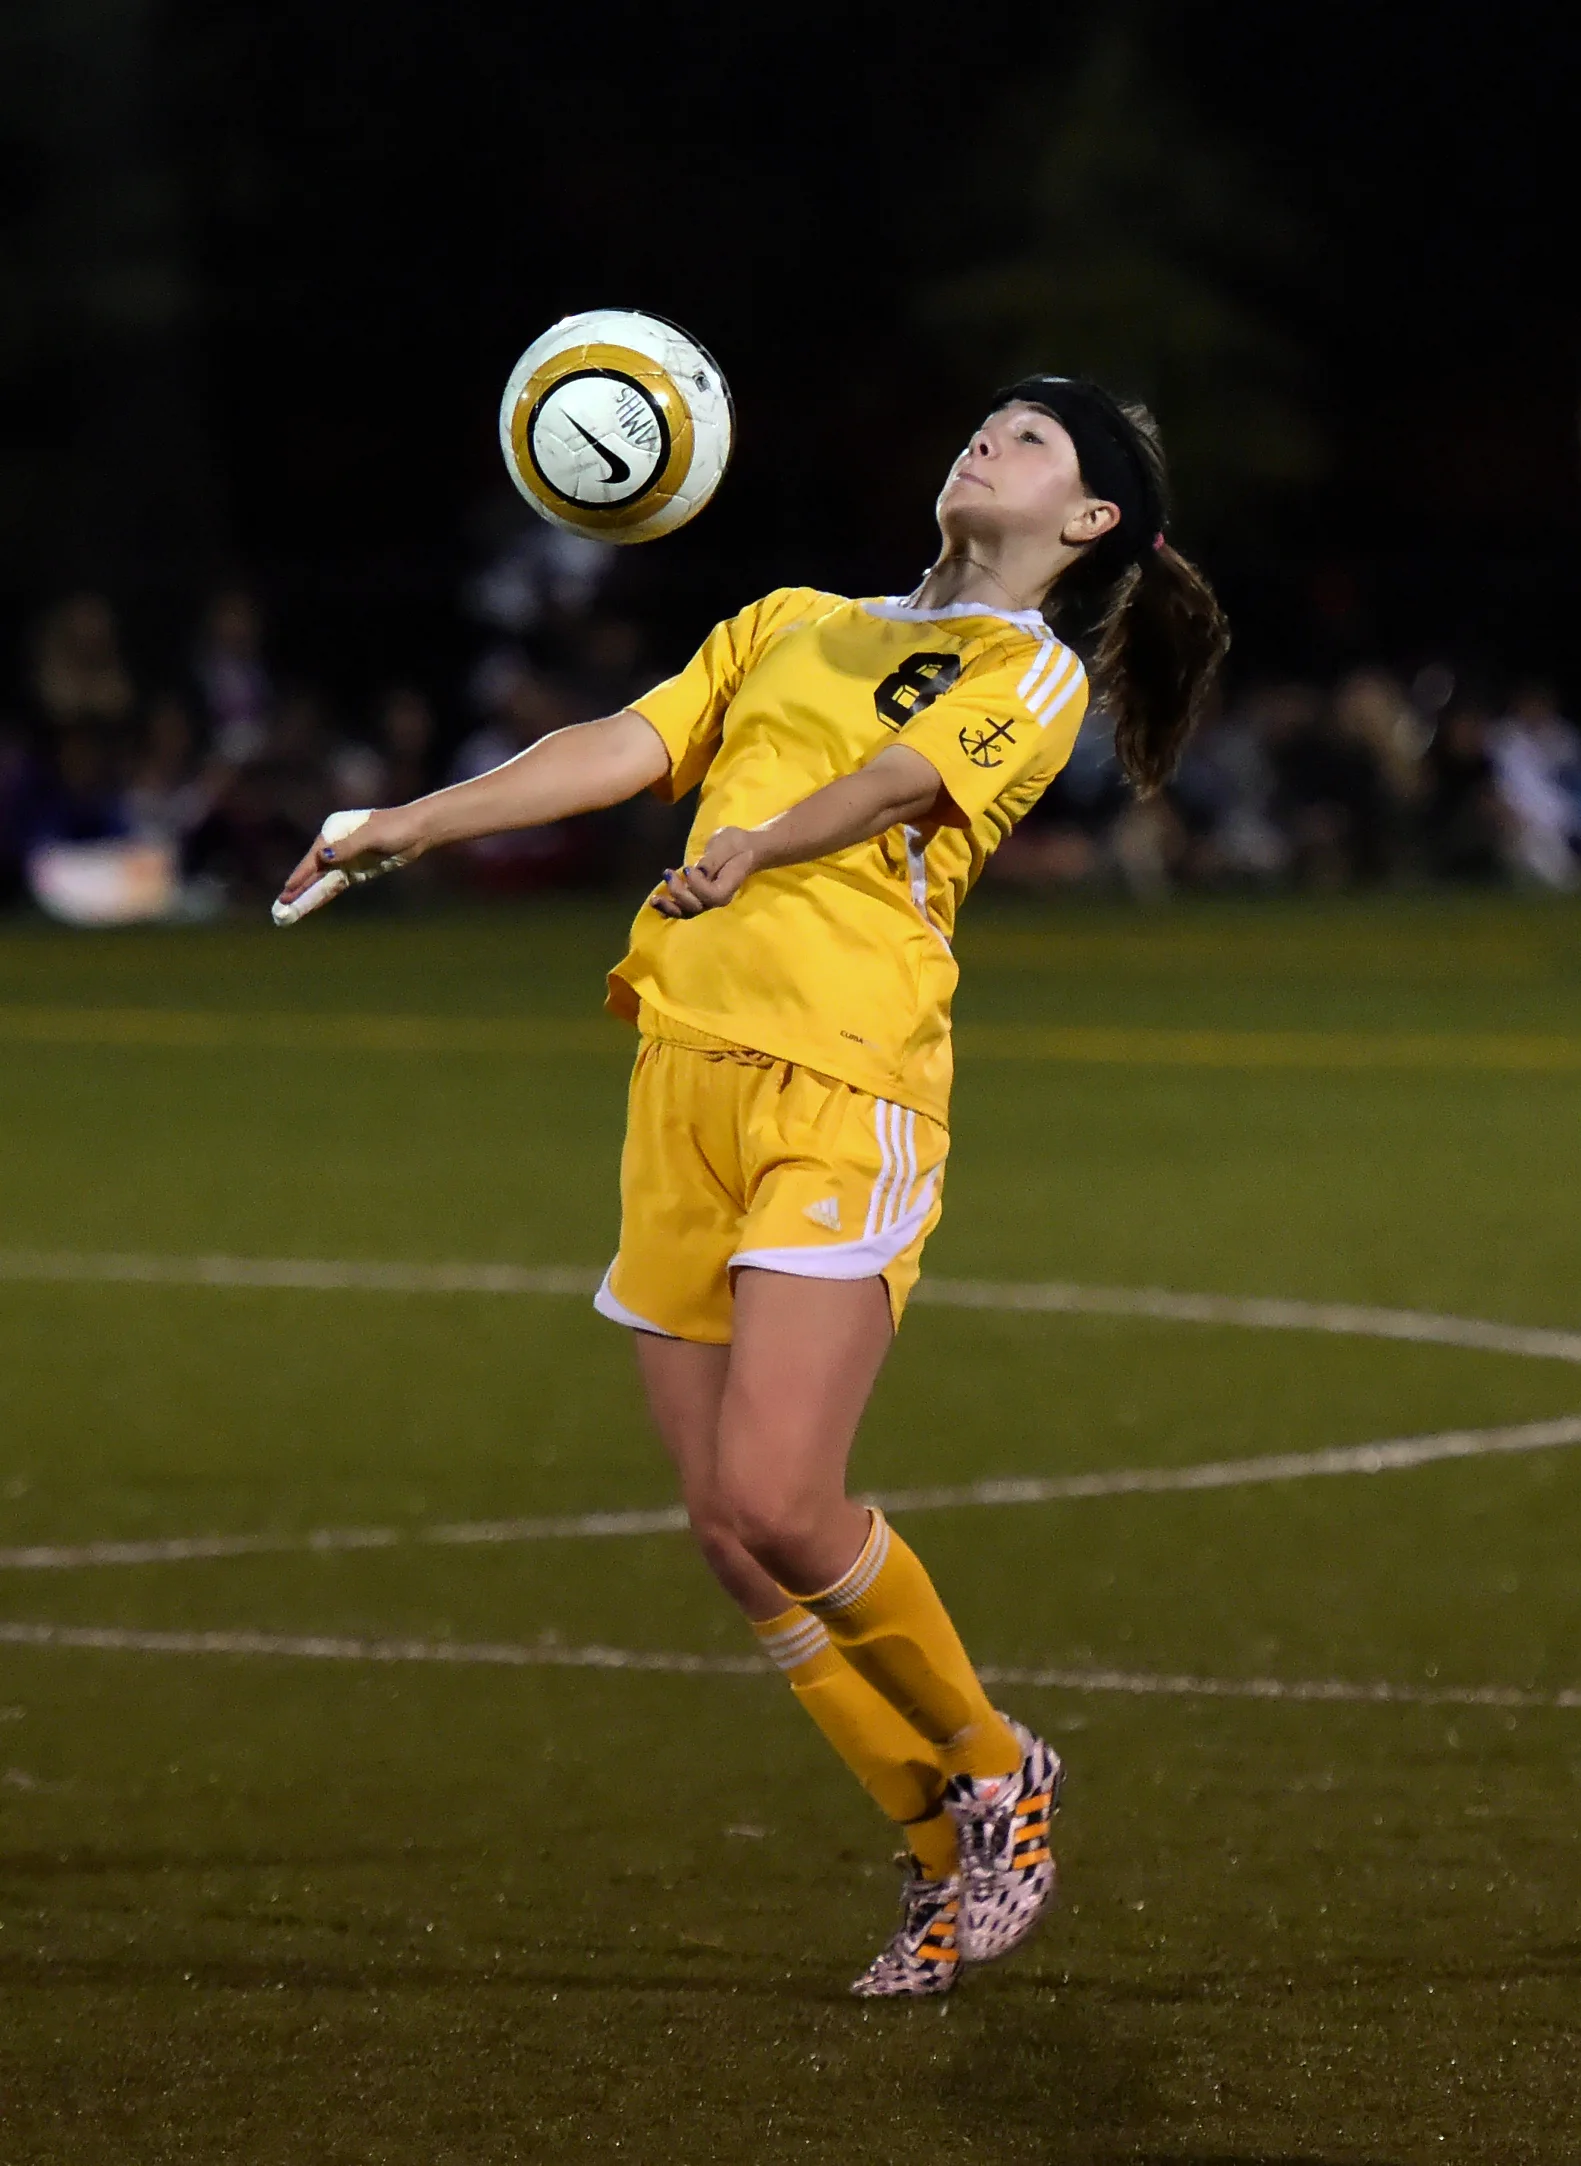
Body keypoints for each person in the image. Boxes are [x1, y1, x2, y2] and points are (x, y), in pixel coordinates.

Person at [277, 378, 1230, 1996]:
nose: (986, 438)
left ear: (1087, 522)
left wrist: (763, 843)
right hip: (682, 1075)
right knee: (730, 1533)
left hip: (844, 1084)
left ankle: (999, 1765)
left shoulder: (1034, 670)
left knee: (790, 1498)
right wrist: (410, 824)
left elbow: (903, 782)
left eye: (1032, 440)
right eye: (989, 420)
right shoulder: (792, 618)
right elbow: (625, 743)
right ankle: (935, 1849)